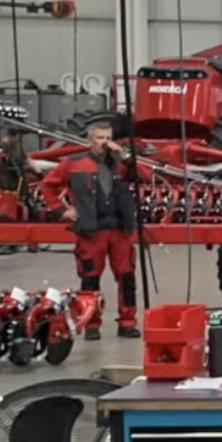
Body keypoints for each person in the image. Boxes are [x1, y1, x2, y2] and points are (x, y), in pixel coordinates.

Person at [39, 117, 142, 340]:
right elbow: (47, 185)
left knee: (126, 277)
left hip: (120, 230)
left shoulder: (121, 164)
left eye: (108, 138)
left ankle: (127, 322)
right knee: (90, 278)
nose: (105, 142)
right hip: (91, 231)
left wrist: (123, 157)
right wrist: (60, 210)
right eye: (100, 138)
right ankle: (91, 323)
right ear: (90, 140)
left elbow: (142, 177)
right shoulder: (74, 163)